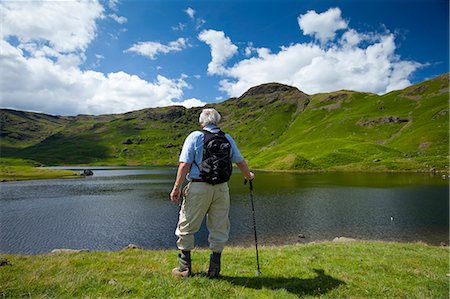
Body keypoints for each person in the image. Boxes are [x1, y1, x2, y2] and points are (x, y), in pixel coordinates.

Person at [170, 108, 254, 278]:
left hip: (199, 187)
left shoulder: (195, 136)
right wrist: (249, 176)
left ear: (202, 122)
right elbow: (240, 162)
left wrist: (177, 187)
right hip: (222, 188)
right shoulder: (227, 138)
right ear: (217, 121)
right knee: (219, 226)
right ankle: (214, 270)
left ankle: (184, 269)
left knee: (186, 224)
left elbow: (185, 164)